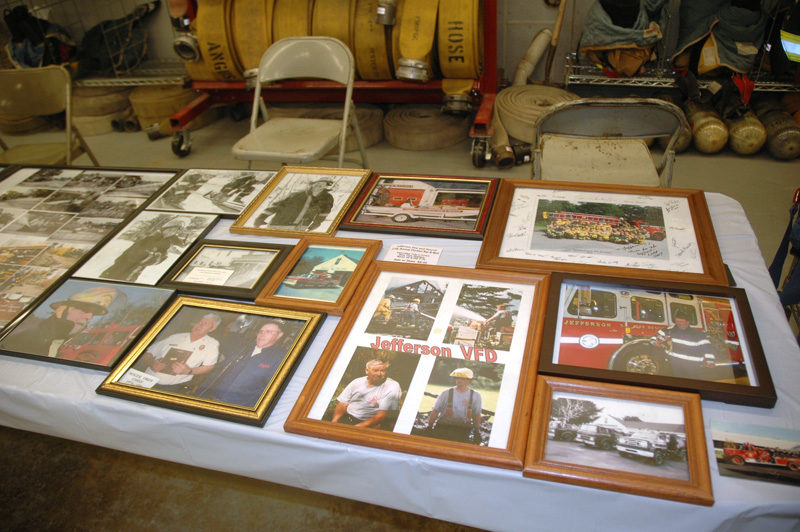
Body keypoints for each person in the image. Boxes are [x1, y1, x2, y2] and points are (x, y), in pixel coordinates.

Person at [0, 285, 117, 358]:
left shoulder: (57, 340)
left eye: (93, 314)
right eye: (84, 309)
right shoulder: (29, 338)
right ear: (62, 310)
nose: (89, 317)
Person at [203, 320, 289, 407]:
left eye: (268, 332)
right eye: (261, 331)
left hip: (238, 407)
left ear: (279, 335)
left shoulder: (280, 358)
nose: (262, 334)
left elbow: (271, 391)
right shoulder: (243, 348)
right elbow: (218, 372)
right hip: (211, 399)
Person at [137, 313, 221, 392]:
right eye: (200, 322)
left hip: (171, 388)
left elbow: (209, 366)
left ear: (212, 328)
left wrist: (189, 371)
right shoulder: (175, 336)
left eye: (205, 323)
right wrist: (151, 363)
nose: (200, 325)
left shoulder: (212, 344)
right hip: (145, 381)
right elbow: (148, 353)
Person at [100, 218, 186, 282]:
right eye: (171, 230)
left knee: (128, 280)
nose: (172, 232)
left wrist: (156, 256)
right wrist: (150, 255)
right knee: (112, 277)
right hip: (125, 263)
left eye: (175, 231)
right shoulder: (151, 237)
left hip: (138, 268)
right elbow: (134, 250)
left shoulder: (166, 242)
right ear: (165, 228)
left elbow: (163, 256)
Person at [331, 359, 401, 429]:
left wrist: (353, 429)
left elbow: (381, 416)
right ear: (367, 371)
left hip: (370, 424)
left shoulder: (392, 386)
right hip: (347, 418)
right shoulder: (357, 382)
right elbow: (342, 403)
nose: (379, 374)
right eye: (375, 370)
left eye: (382, 371)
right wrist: (334, 421)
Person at [650, 308, 715, 379]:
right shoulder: (670, 330)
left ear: (688, 322)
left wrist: (709, 361)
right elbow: (655, 338)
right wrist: (654, 342)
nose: (679, 324)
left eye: (682, 322)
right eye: (677, 321)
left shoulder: (697, 335)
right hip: (675, 364)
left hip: (692, 366)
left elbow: (707, 348)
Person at [427, 367, 483, 444]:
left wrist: (477, 431)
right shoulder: (446, 393)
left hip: (463, 430)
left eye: (463, 378)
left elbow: (476, 415)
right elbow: (435, 411)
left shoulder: (476, 395)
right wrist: (429, 426)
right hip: (444, 427)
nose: (459, 380)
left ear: (470, 380)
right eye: (457, 378)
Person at [254, 179, 334, 231]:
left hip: (300, 229)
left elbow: (323, 214)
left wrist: (314, 225)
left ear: (326, 187)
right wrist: (261, 218)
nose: (319, 186)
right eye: (318, 183)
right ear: (312, 184)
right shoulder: (297, 195)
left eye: (323, 184)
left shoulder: (327, 199)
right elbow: (276, 206)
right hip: (278, 225)